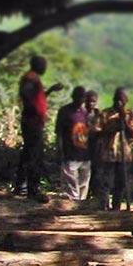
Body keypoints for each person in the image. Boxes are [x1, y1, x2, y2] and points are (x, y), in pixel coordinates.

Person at [14, 55, 64, 201]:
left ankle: (22, 186)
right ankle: (32, 189)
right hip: (32, 122)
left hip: (34, 122)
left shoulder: (34, 79)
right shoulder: (30, 79)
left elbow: (36, 99)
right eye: (43, 64)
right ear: (37, 65)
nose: (45, 68)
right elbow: (27, 98)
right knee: (34, 155)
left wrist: (50, 90)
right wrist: (35, 113)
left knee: (29, 153)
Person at [96, 88, 133, 211]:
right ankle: (104, 206)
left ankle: (116, 207)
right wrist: (110, 128)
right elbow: (97, 132)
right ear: (113, 99)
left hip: (124, 153)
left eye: (122, 99)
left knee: (121, 182)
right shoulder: (105, 113)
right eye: (117, 99)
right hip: (108, 153)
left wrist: (123, 120)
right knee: (106, 182)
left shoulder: (130, 115)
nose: (119, 102)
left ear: (126, 101)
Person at [54, 86, 92, 201]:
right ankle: (72, 205)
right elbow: (59, 132)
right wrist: (59, 148)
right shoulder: (65, 111)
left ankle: (81, 205)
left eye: (82, 97)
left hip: (85, 154)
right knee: (70, 184)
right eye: (78, 96)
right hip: (70, 153)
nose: (80, 99)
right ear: (73, 97)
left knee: (83, 183)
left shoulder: (86, 113)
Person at [83, 90, 104, 201]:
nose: (90, 104)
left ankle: (95, 195)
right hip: (84, 147)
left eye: (93, 101)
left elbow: (104, 128)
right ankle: (84, 196)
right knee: (84, 172)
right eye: (88, 101)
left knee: (96, 172)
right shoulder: (81, 113)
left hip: (97, 146)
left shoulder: (99, 114)